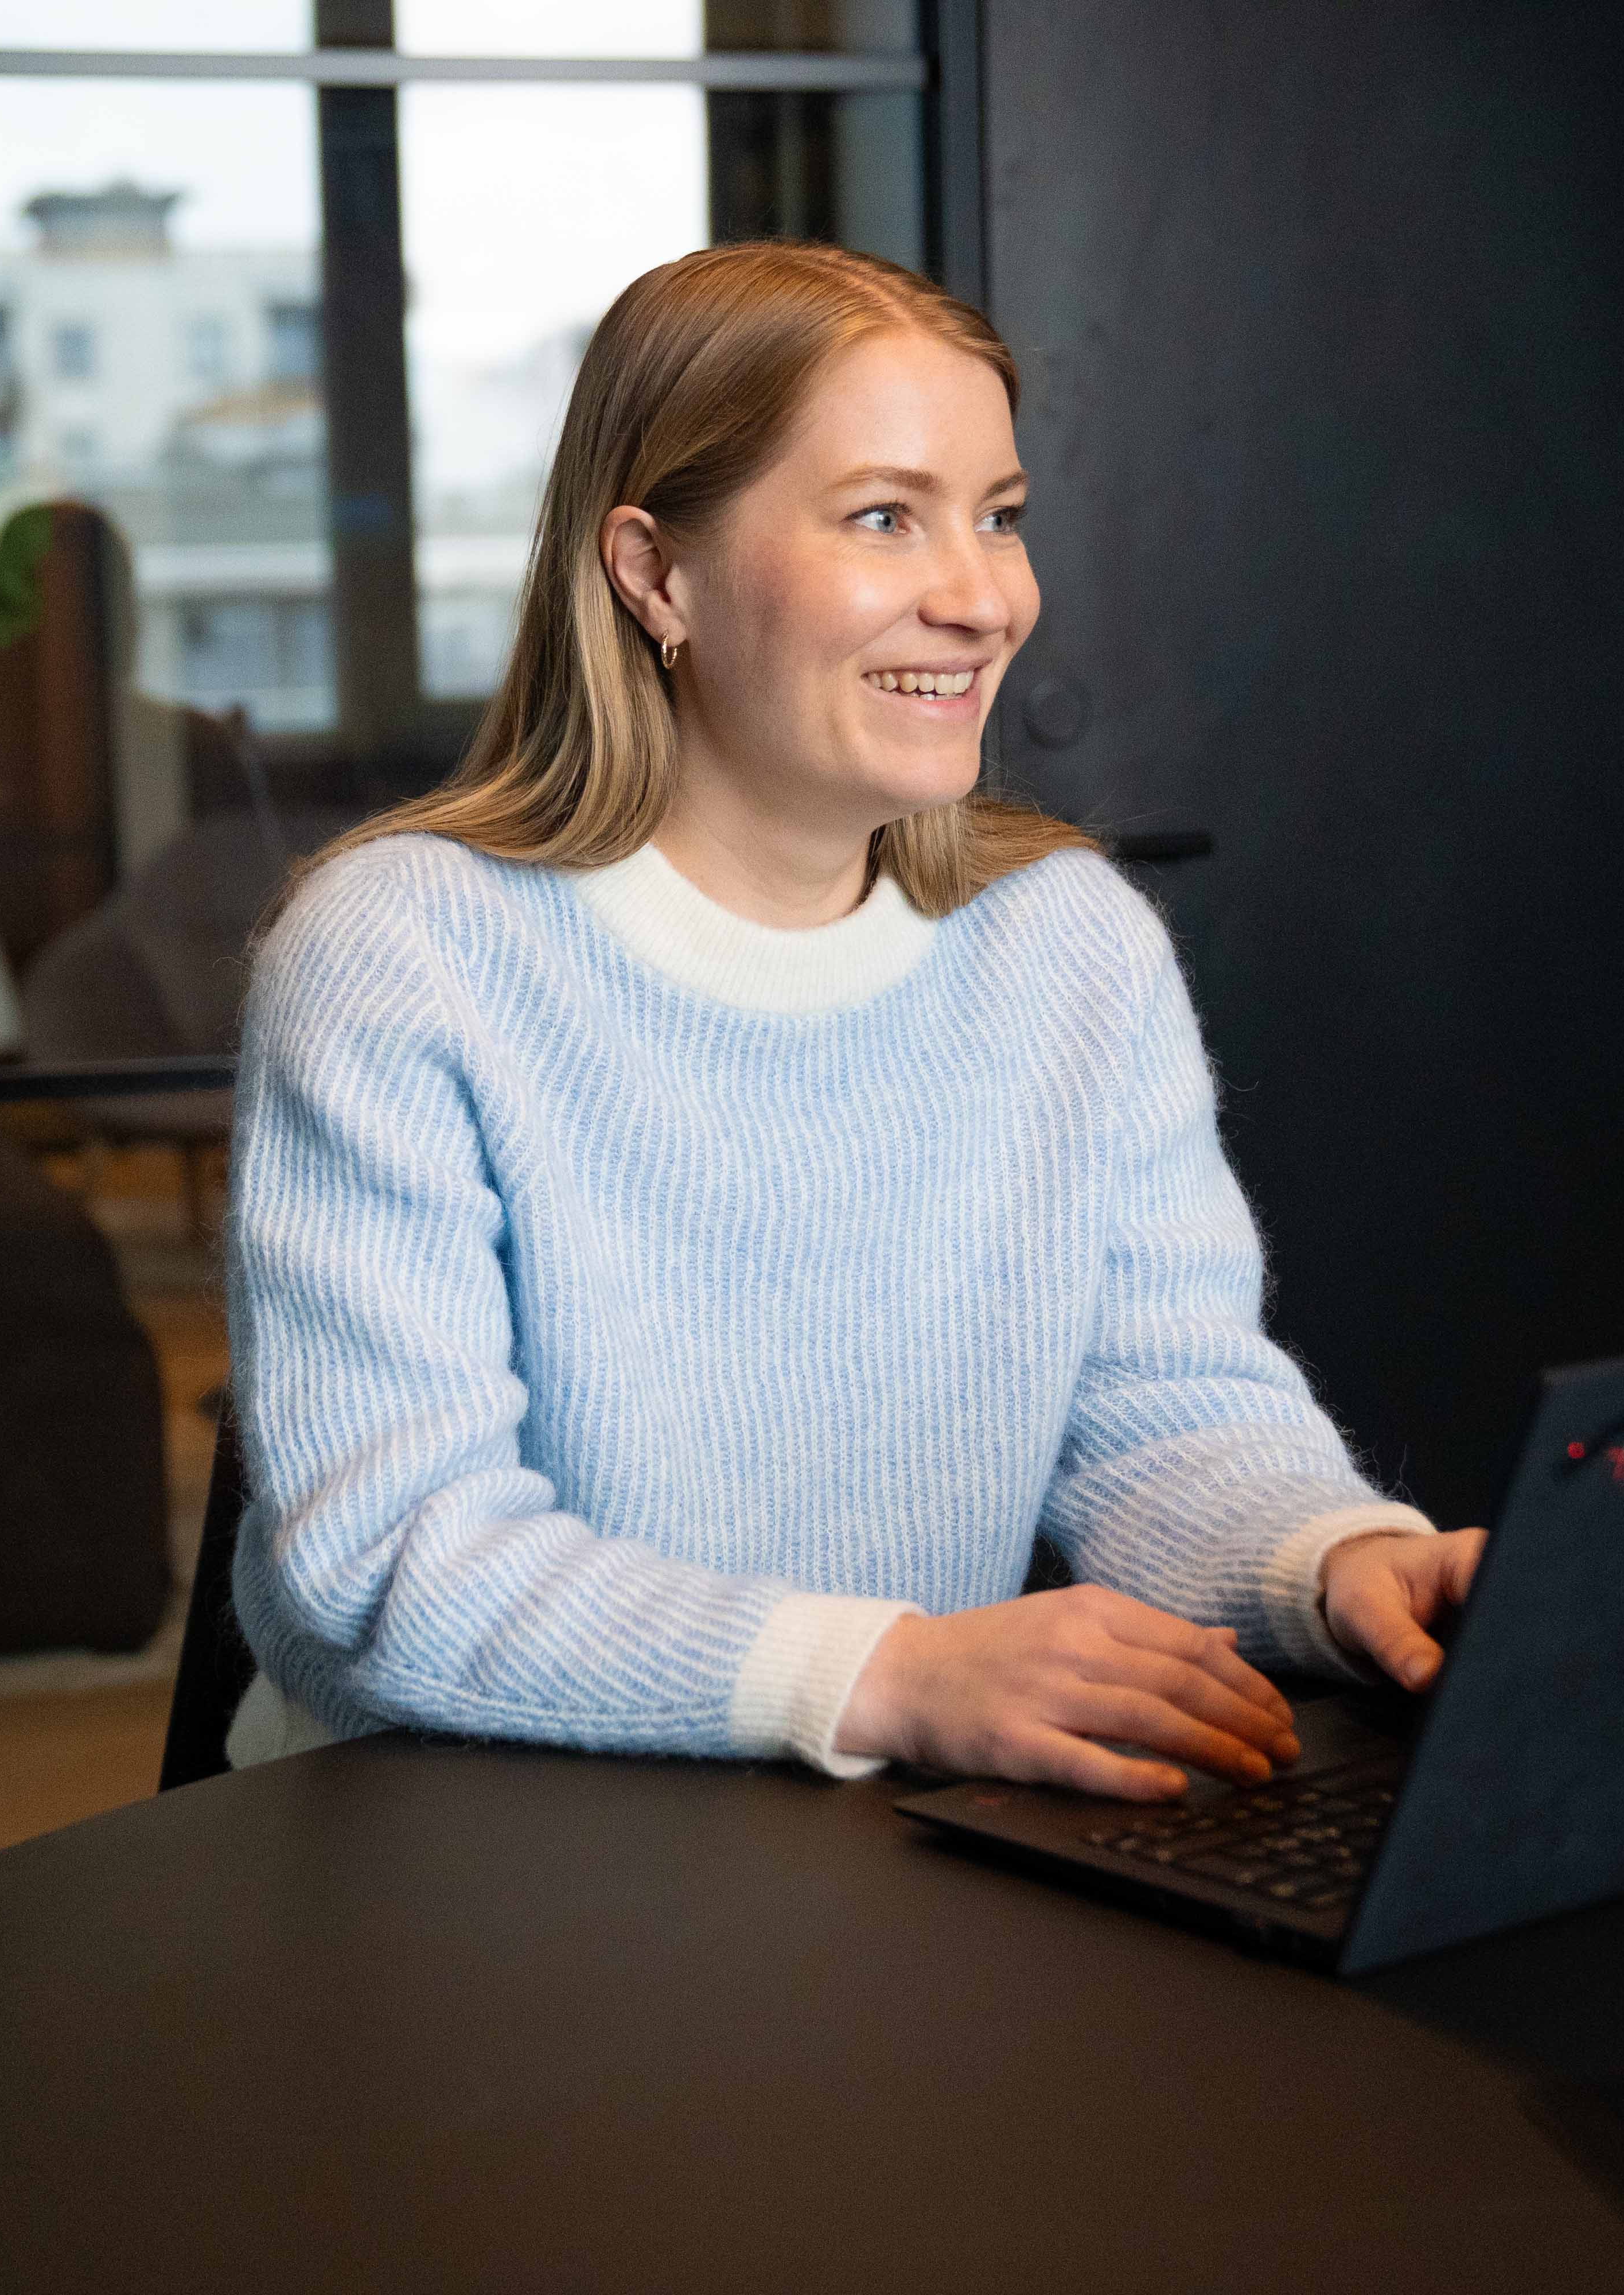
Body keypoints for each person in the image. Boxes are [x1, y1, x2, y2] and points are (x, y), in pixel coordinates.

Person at [223, 242, 1482, 1798]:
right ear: (653, 574)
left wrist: (1332, 1557)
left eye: (1000, 518)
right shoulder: (404, 953)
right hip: (453, 1854)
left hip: (877, 1834)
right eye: (885, 518)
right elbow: (386, 1560)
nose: (979, 599)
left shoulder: (1070, 945)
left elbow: (1159, 1413)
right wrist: (886, 1671)